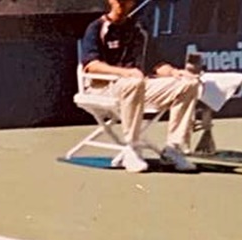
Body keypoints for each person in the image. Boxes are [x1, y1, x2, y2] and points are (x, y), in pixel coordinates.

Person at [81, 0, 200, 173]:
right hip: (103, 88)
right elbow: (91, 65)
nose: (121, 4)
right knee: (134, 82)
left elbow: (156, 64)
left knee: (189, 84)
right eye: (118, 0)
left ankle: (173, 148)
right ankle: (132, 148)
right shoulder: (96, 28)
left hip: (137, 87)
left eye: (126, 0)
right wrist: (124, 73)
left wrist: (174, 72)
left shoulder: (138, 30)